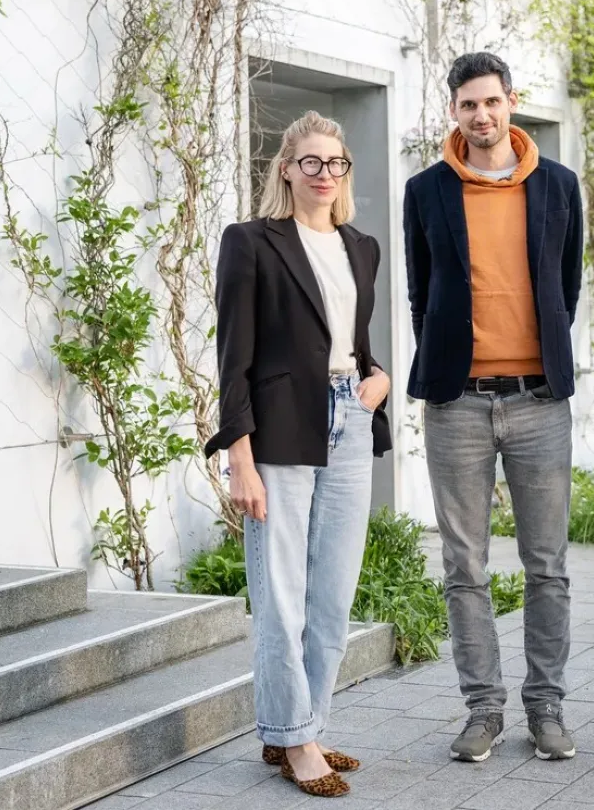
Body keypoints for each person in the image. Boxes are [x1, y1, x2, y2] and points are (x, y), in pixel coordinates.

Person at [402, 52, 584, 764]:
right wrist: (456, 362)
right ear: (454, 110)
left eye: (492, 102)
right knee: (464, 567)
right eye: (468, 104)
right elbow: (424, 293)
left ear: (512, 102)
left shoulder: (559, 186)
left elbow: (564, 288)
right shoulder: (427, 191)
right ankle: (483, 710)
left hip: (539, 400)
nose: (482, 115)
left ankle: (546, 709)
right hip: (457, 405)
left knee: (548, 566)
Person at [207, 111, 392, 799]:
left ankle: (297, 727)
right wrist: (240, 457)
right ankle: (297, 740)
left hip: (350, 418)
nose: (323, 173)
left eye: (335, 163)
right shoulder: (251, 242)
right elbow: (234, 360)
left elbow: (349, 339)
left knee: (333, 594)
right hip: (279, 429)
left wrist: (379, 382)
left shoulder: (361, 246)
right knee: (281, 595)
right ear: (285, 168)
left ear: (345, 172)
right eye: (309, 161)